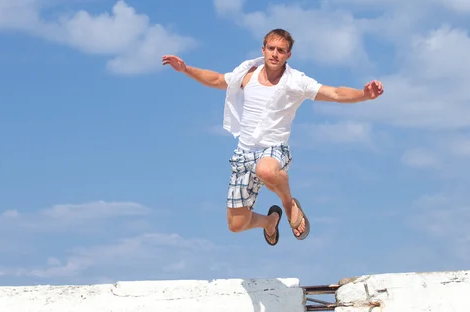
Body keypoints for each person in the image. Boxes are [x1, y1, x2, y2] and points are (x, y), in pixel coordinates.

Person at [161, 28, 384, 246]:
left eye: (281, 50)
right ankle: (270, 221)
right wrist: (186, 69)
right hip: (244, 154)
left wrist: (365, 95)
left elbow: (335, 93)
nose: (275, 54)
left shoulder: (296, 81)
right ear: (263, 49)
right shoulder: (248, 74)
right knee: (237, 224)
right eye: (271, 48)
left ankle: (288, 204)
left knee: (265, 170)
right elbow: (217, 80)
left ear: (288, 55)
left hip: (275, 150)